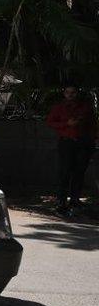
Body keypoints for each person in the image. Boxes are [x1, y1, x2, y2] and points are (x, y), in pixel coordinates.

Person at [46, 85, 97, 216]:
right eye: (68, 92)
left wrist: (93, 140)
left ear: (76, 93)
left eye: (73, 92)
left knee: (79, 172)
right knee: (64, 172)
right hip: (66, 142)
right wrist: (66, 124)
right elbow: (50, 122)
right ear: (64, 93)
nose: (70, 95)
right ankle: (61, 201)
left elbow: (92, 124)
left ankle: (75, 200)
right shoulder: (59, 107)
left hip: (83, 143)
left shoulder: (85, 107)